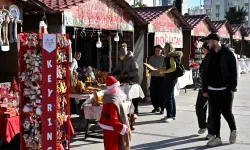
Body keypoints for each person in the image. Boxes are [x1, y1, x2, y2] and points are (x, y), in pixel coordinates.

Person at [202, 33, 238, 147]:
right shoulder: (209, 55)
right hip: (212, 90)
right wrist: (205, 88)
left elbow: (234, 72)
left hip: (225, 89)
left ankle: (233, 130)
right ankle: (217, 137)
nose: (207, 44)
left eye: (209, 42)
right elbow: (204, 72)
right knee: (214, 114)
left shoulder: (228, 54)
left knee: (226, 112)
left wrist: (232, 88)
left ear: (215, 41)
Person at [99, 76, 131, 150]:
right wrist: (123, 127)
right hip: (111, 129)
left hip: (106, 126)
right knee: (113, 147)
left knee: (107, 146)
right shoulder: (113, 101)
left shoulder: (106, 97)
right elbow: (113, 120)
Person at [158, 43, 183, 123]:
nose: (163, 49)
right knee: (171, 96)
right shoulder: (171, 56)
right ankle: (172, 114)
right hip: (171, 78)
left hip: (170, 78)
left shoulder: (170, 56)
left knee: (169, 97)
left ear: (167, 49)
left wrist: (165, 71)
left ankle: (170, 115)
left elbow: (173, 68)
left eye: (164, 48)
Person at [112, 43, 139, 114]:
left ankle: (136, 108)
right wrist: (112, 73)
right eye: (120, 56)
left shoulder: (132, 59)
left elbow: (136, 70)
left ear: (125, 55)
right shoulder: (121, 60)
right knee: (125, 94)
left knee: (134, 94)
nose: (121, 57)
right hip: (125, 79)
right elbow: (117, 68)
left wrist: (128, 74)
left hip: (133, 79)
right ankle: (127, 109)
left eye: (122, 56)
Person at [195, 42, 213, 140]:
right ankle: (203, 125)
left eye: (204, 50)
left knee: (212, 112)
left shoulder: (212, 60)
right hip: (202, 88)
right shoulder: (205, 59)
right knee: (199, 107)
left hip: (211, 89)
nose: (203, 51)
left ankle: (211, 132)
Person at [148, 45, 165, 114]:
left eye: (158, 50)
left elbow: (166, 67)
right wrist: (150, 68)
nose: (157, 52)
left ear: (161, 51)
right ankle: (156, 107)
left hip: (161, 77)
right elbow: (149, 66)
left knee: (161, 94)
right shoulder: (152, 58)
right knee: (153, 93)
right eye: (156, 50)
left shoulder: (164, 58)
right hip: (154, 77)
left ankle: (162, 108)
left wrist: (159, 68)